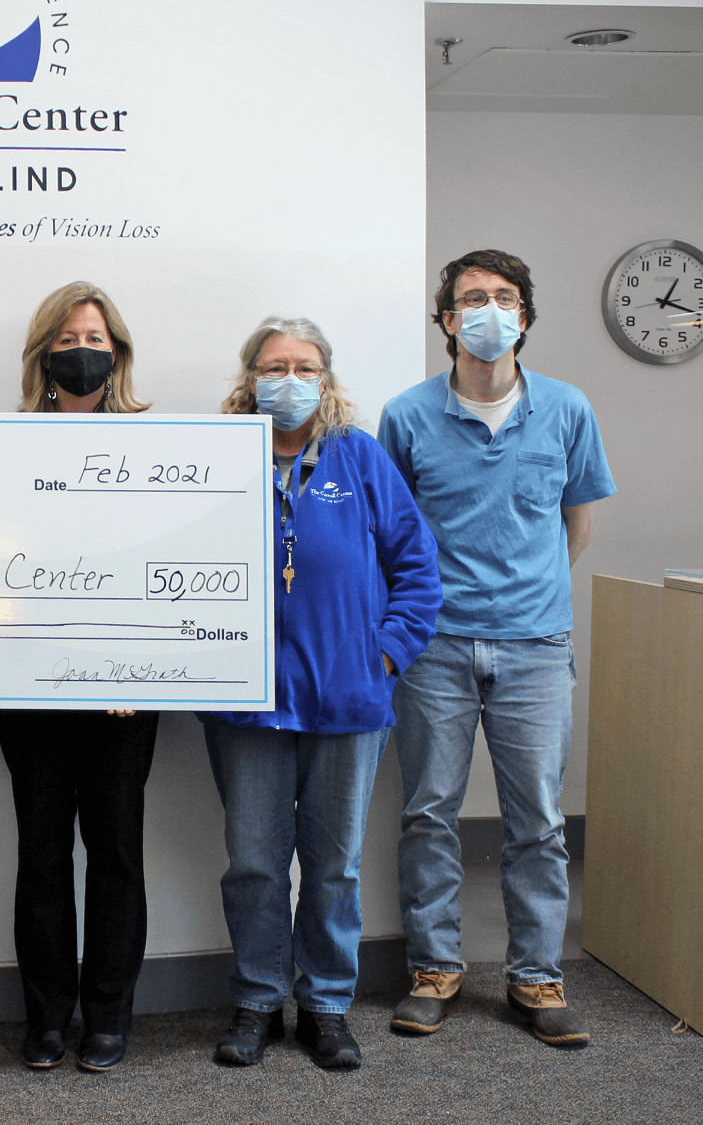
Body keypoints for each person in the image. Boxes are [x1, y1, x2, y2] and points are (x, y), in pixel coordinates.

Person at [380, 250, 616, 1048]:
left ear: (523, 316)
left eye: (504, 297)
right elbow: (391, 534)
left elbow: (576, 524)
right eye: (472, 297)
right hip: (434, 646)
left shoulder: (566, 408)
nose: (489, 309)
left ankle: (536, 977)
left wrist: (525, 595)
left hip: (535, 647)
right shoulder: (406, 415)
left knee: (538, 822)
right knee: (427, 813)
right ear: (446, 320)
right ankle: (433, 969)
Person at [206, 318, 441, 1071]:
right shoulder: (212, 457)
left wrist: (385, 654)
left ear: (325, 378)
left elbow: (418, 568)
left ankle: (327, 1006)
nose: (289, 379)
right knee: (253, 863)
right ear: (249, 377)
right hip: (246, 702)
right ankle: (256, 1001)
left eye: (304, 367)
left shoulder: (359, 456)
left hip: (348, 699)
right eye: (274, 366)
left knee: (334, 866)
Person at [0, 281, 159, 1074]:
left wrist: (134, 666)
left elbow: (164, 566)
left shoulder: (158, 449)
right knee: (41, 853)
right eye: (66, 339)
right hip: (26, 687)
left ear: (115, 352)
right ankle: (46, 1017)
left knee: (116, 850)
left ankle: (108, 1016)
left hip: (122, 694)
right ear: (43, 354)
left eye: (94, 338)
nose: (81, 351)